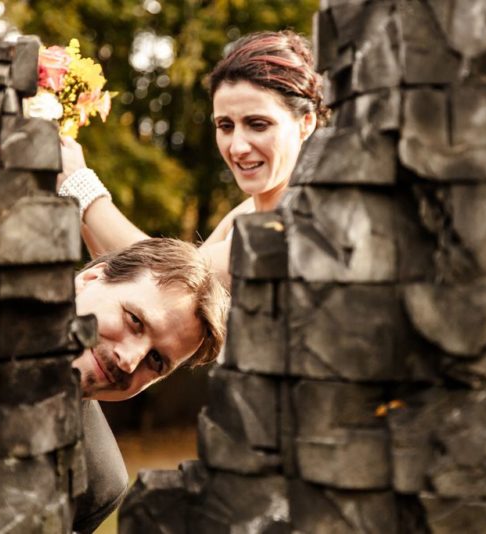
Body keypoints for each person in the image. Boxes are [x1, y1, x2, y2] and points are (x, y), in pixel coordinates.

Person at [58, 31, 330, 285]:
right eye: (225, 126)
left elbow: (170, 279)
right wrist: (74, 197)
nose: (237, 147)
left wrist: (82, 186)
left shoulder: (306, 218)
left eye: (258, 124)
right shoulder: (245, 212)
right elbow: (131, 278)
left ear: (306, 123)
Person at [69, 237, 228, 533]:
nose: (129, 360)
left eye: (156, 360)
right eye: (135, 321)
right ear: (90, 279)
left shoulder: (95, 480)